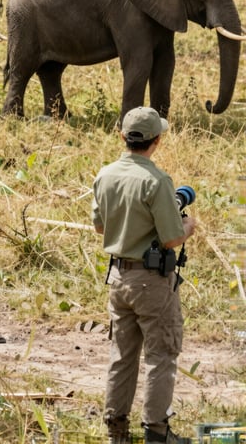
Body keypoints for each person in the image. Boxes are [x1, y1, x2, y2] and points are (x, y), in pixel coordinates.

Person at [92, 107, 196, 444]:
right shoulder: (157, 180)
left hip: (119, 278)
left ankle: (116, 428)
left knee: (122, 356)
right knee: (161, 355)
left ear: (122, 136)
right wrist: (188, 226)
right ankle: (156, 431)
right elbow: (171, 238)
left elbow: (99, 226)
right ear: (157, 140)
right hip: (152, 281)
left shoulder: (105, 174)